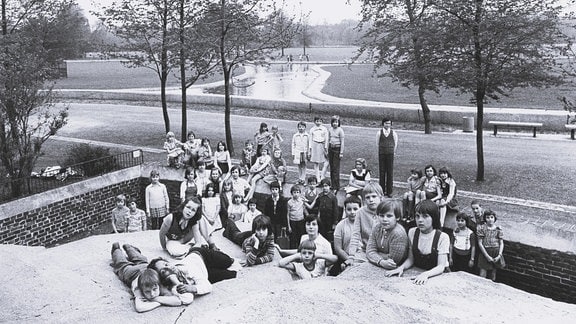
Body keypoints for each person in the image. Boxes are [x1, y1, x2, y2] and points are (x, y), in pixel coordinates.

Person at [110, 243, 194, 313]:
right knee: (122, 265)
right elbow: (140, 308)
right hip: (132, 274)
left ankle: (129, 248)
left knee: (141, 259)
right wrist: (159, 300)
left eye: (154, 290)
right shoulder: (138, 288)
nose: (152, 294)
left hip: (145, 267)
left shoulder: (160, 280)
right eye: (147, 291)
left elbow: (186, 298)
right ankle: (116, 249)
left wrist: (155, 299)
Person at [385, 200, 450, 285]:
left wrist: (425, 274)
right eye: (417, 216)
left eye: (425, 216)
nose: (420, 220)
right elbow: (411, 259)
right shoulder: (412, 232)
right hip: (419, 272)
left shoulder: (442, 237)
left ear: (433, 218)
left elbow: (441, 266)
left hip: (438, 276)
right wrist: (401, 268)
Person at [149, 246, 236, 286]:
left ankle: (212, 250)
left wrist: (192, 289)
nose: (168, 268)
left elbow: (204, 287)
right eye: (164, 271)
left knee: (228, 261)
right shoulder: (171, 284)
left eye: (166, 264)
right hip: (204, 272)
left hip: (200, 255)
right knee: (229, 274)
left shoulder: (182, 268)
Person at [366, 199, 410, 270]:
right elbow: (369, 250)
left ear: (397, 217)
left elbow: (393, 261)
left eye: (389, 216)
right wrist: (381, 261)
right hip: (381, 265)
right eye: (381, 216)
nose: (384, 219)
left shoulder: (398, 233)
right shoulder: (377, 227)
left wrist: (375, 254)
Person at [348, 182, 385, 262]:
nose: (371, 200)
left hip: (384, 251)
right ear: (364, 200)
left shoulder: (386, 211)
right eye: (368, 197)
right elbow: (355, 234)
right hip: (366, 250)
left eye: (374, 196)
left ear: (381, 197)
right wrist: (351, 255)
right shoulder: (360, 213)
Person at [331, 195, 361, 275]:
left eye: (355, 209)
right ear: (345, 210)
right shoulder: (340, 225)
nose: (352, 212)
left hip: (363, 258)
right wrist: (349, 259)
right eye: (349, 209)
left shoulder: (366, 224)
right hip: (345, 258)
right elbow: (338, 248)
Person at [477, 209, 505, 281]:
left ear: (494, 218)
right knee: (482, 274)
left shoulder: (498, 229)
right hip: (485, 252)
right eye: (488, 217)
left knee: (493, 274)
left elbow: (501, 243)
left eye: (492, 217)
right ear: (485, 219)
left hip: (495, 252)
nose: (490, 219)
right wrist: (487, 256)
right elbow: (480, 243)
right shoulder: (482, 228)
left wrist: (499, 255)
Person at [377, 117, 398, 197]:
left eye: (389, 123)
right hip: (382, 153)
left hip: (390, 154)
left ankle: (389, 191)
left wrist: (393, 152)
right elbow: (377, 143)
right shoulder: (379, 132)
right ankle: (381, 190)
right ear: (383, 124)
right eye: (386, 123)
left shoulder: (393, 133)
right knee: (382, 172)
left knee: (390, 172)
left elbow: (395, 143)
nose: (387, 125)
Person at [286, 184, 308, 249]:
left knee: (300, 237)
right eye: (294, 192)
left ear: (300, 193)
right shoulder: (289, 202)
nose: (296, 194)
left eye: (297, 192)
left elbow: (305, 210)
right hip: (293, 221)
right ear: (291, 193)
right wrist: (289, 226)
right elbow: (287, 214)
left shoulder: (302, 200)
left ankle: (300, 251)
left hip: (301, 221)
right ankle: (292, 252)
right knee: (292, 238)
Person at [327, 115, 345, 192]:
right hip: (331, 148)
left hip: (337, 149)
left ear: (339, 123)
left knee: (336, 168)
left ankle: (336, 186)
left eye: (336, 122)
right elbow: (328, 139)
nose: (335, 124)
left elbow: (342, 142)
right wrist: (327, 150)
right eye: (333, 122)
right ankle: (332, 184)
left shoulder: (340, 130)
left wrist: (341, 152)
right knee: (331, 168)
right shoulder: (330, 129)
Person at [309, 117, 329, 181]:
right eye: (317, 121)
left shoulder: (324, 129)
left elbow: (326, 139)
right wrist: (310, 149)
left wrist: (326, 147)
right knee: (316, 162)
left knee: (326, 161)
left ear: (322, 122)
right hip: (315, 145)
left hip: (322, 145)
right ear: (314, 122)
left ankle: (322, 176)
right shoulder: (312, 129)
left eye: (320, 121)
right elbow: (310, 140)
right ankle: (318, 178)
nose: (318, 122)